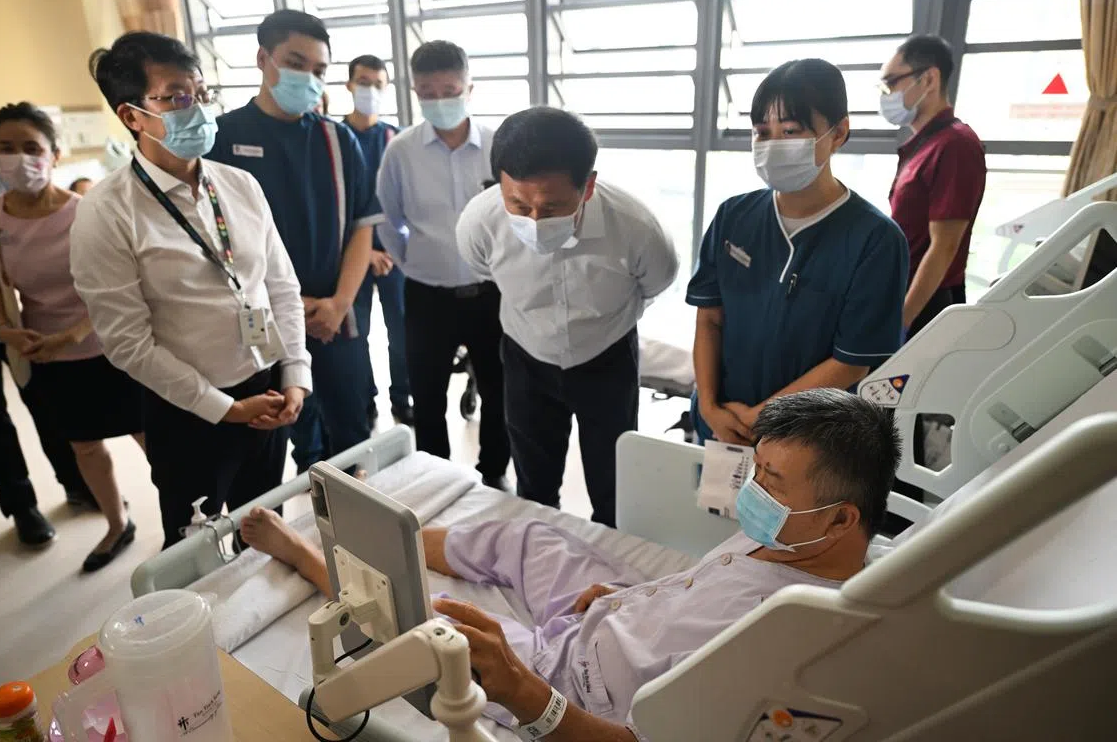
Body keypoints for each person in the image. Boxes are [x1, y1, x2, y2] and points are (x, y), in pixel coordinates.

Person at [241, 389, 902, 739]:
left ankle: (305, 554)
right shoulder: (798, 538)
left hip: (572, 682)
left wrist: (527, 696)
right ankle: (394, 527)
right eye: (754, 471)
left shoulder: (786, 642)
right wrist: (624, 596)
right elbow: (705, 591)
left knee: (441, 631)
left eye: (773, 480)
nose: (750, 492)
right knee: (523, 536)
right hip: (611, 609)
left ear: (844, 517)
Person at [71, 31, 312, 548]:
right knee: (191, 546)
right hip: (189, 409)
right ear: (132, 116)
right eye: (177, 97)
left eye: (201, 94)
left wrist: (295, 375)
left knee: (264, 527)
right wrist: (224, 409)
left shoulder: (239, 185)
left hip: (266, 388)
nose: (197, 109)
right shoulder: (107, 212)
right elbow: (128, 344)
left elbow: (281, 288)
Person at [457, 107, 678, 527]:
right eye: (518, 205)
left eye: (553, 207)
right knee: (534, 485)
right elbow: (482, 270)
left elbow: (655, 282)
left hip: (606, 357)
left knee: (614, 481)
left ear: (588, 186)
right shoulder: (480, 223)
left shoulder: (637, 229)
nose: (535, 220)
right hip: (526, 356)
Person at [686, 59, 908, 445]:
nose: (773, 145)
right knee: (712, 506)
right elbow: (710, 320)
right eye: (762, 132)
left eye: (790, 131)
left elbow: (850, 361)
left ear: (838, 133)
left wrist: (763, 418)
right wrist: (708, 406)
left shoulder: (875, 240)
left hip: (807, 436)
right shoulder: (733, 217)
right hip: (723, 419)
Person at [206, 10, 379, 475]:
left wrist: (341, 302)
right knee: (284, 425)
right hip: (260, 318)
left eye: (320, 71)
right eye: (296, 63)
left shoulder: (338, 140)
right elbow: (211, 241)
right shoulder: (222, 138)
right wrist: (287, 304)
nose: (308, 78)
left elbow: (363, 225)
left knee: (351, 428)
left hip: (335, 315)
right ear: (264, 58)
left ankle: (353, 522)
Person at [0, 103, 144, 571]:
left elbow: (118, 286)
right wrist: (5, 327)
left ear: (55, 153)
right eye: (6, 148)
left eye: (32, 148)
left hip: (108, 344)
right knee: (85, 445)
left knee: (149, 436)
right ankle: (117, 523)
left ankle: (190, 521)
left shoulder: (85, 212)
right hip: (46, 354)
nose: (19, 159)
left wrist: (71, 335)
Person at [377, 40, 510, 489]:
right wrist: (412, 261)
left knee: (500, 390)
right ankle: (437, 478)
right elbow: (388, 220)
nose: (438, 100)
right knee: (428, 394)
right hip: (426, 296)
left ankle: (493, 472)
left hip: (491, 292)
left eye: (448, 90)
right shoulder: (401, 151)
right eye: (427, 92)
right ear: (414, 92)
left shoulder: (499, 146)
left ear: (469, 86)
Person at [881, 34, 986, 337]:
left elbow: (944, 246)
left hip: (928, 303)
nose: (887, 95)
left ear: (928, 78)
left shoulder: (955, 145)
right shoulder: (924, 144)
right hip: (906, 288)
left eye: (892, 82)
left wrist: (902, 320)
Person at [344, 54, 412, 427]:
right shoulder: (334, 138)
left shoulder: (396, 138)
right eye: (363, 82)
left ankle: (402, 399)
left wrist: (389, 249)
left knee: (402, 333)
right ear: (349, 85)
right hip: (352, 255)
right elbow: (332, 205)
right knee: (358, 333)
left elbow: (408, 200)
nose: (370, 90)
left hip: (395, 254)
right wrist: (366, 251)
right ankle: (364, 398)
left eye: (377, 84)